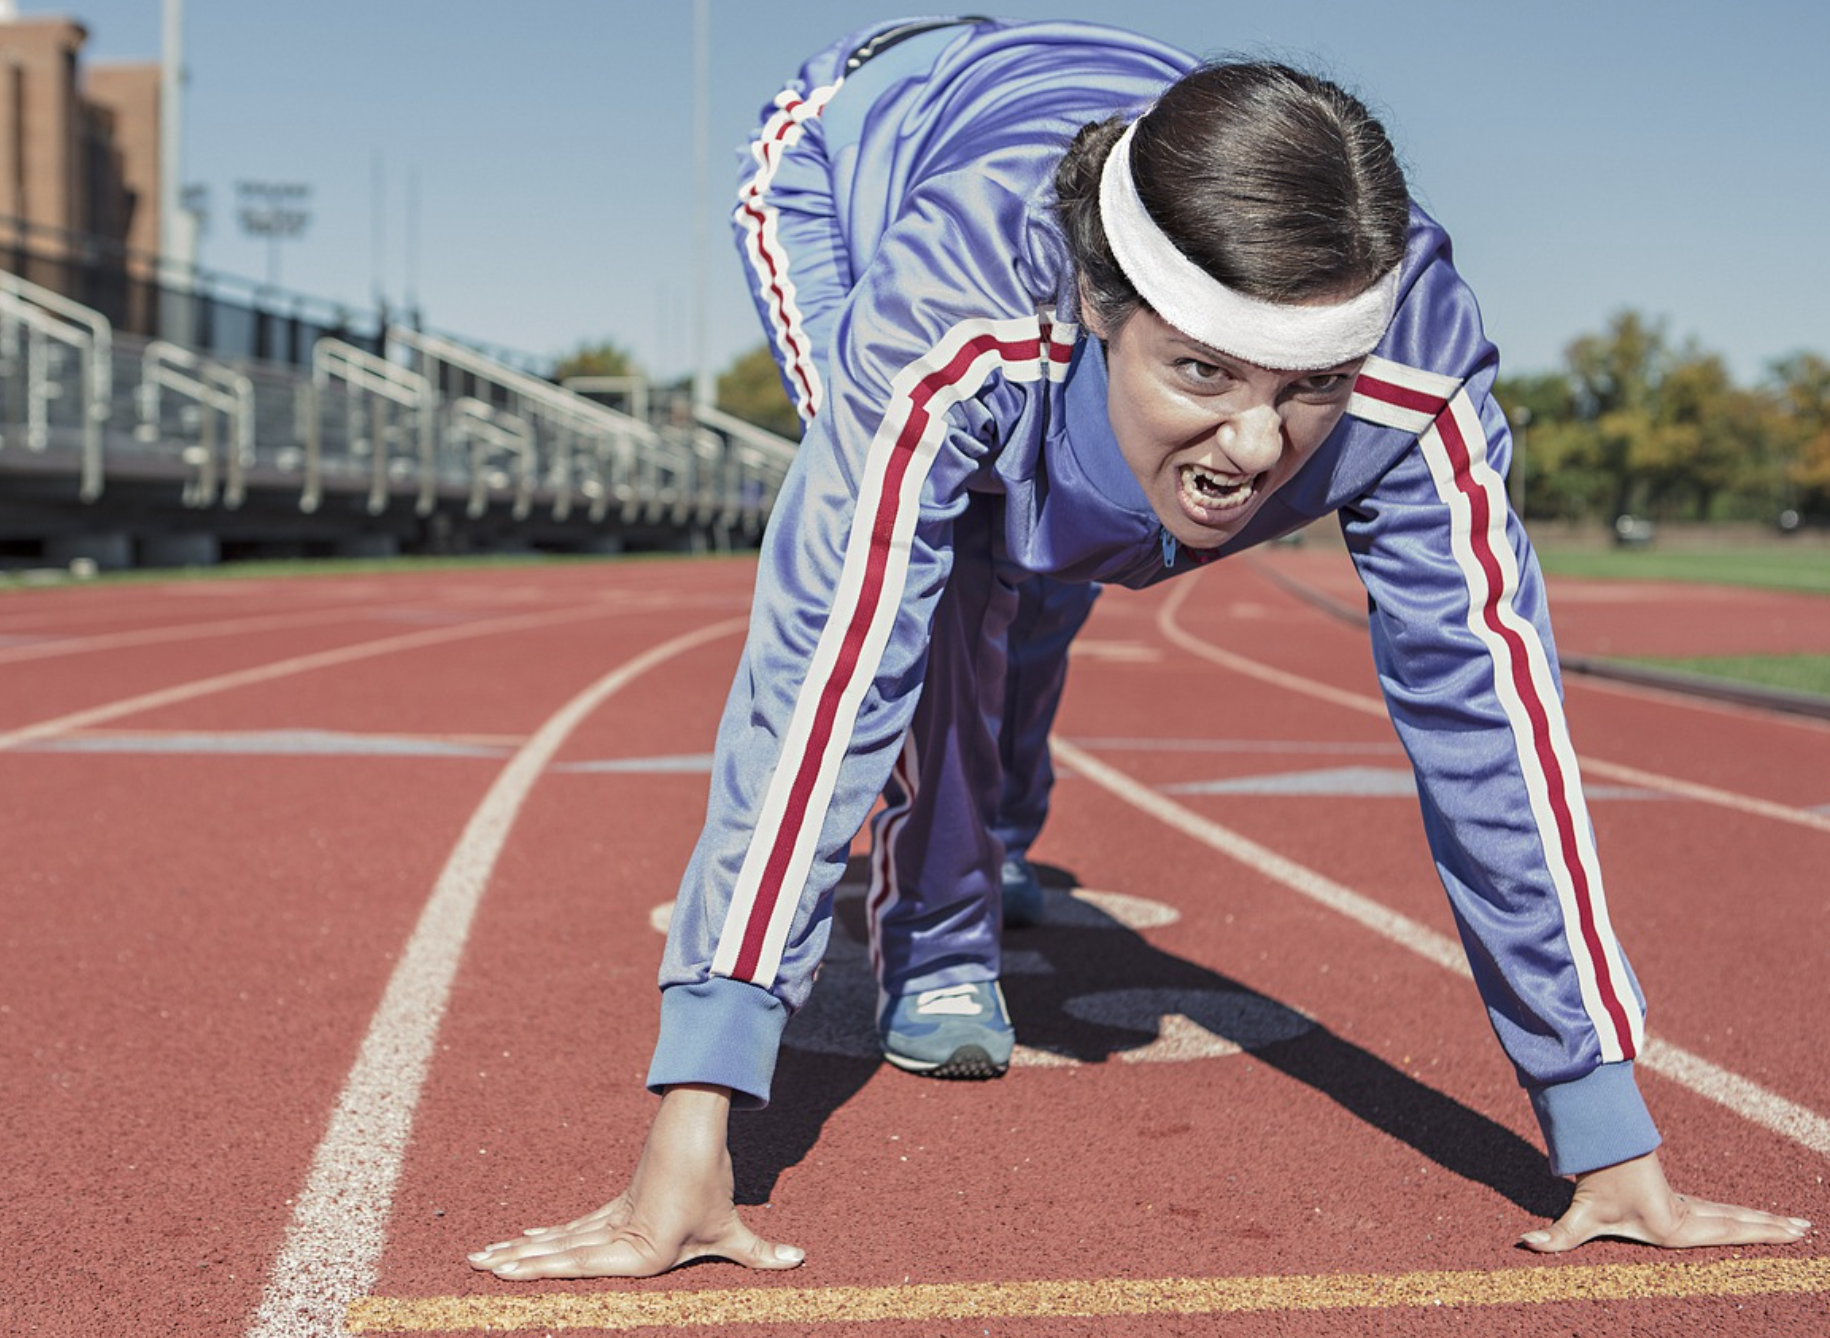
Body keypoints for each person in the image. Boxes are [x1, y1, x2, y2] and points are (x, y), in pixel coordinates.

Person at [471, 16, 1809, 1278]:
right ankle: (938, 932)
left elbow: (1494, 727)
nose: (1252, 447)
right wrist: (695, 1127)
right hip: (854, 149)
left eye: (1308, 390)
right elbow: (825, 669)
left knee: (1064, 550)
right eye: (1205, 373)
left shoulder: (1416, 369)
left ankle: (997, 822)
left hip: (1113, 147)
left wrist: (1605, 1131)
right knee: (941, 576)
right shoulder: (955, 309)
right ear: (1108, 307)